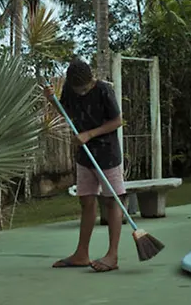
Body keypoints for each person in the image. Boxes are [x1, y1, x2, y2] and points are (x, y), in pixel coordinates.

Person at [43, 58, 124, 273]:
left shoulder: (104, 91)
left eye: (84, 89)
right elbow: (67, 113)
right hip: (85, 156)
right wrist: (52, 100)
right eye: (77, 89)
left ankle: (112, 255)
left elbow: (117, 121)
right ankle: (81, 254)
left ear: (91, 80)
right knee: (86, 201)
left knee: (112, 201)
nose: (81, 93)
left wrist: (89, 134)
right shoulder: (70, 89)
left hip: (107, 154)